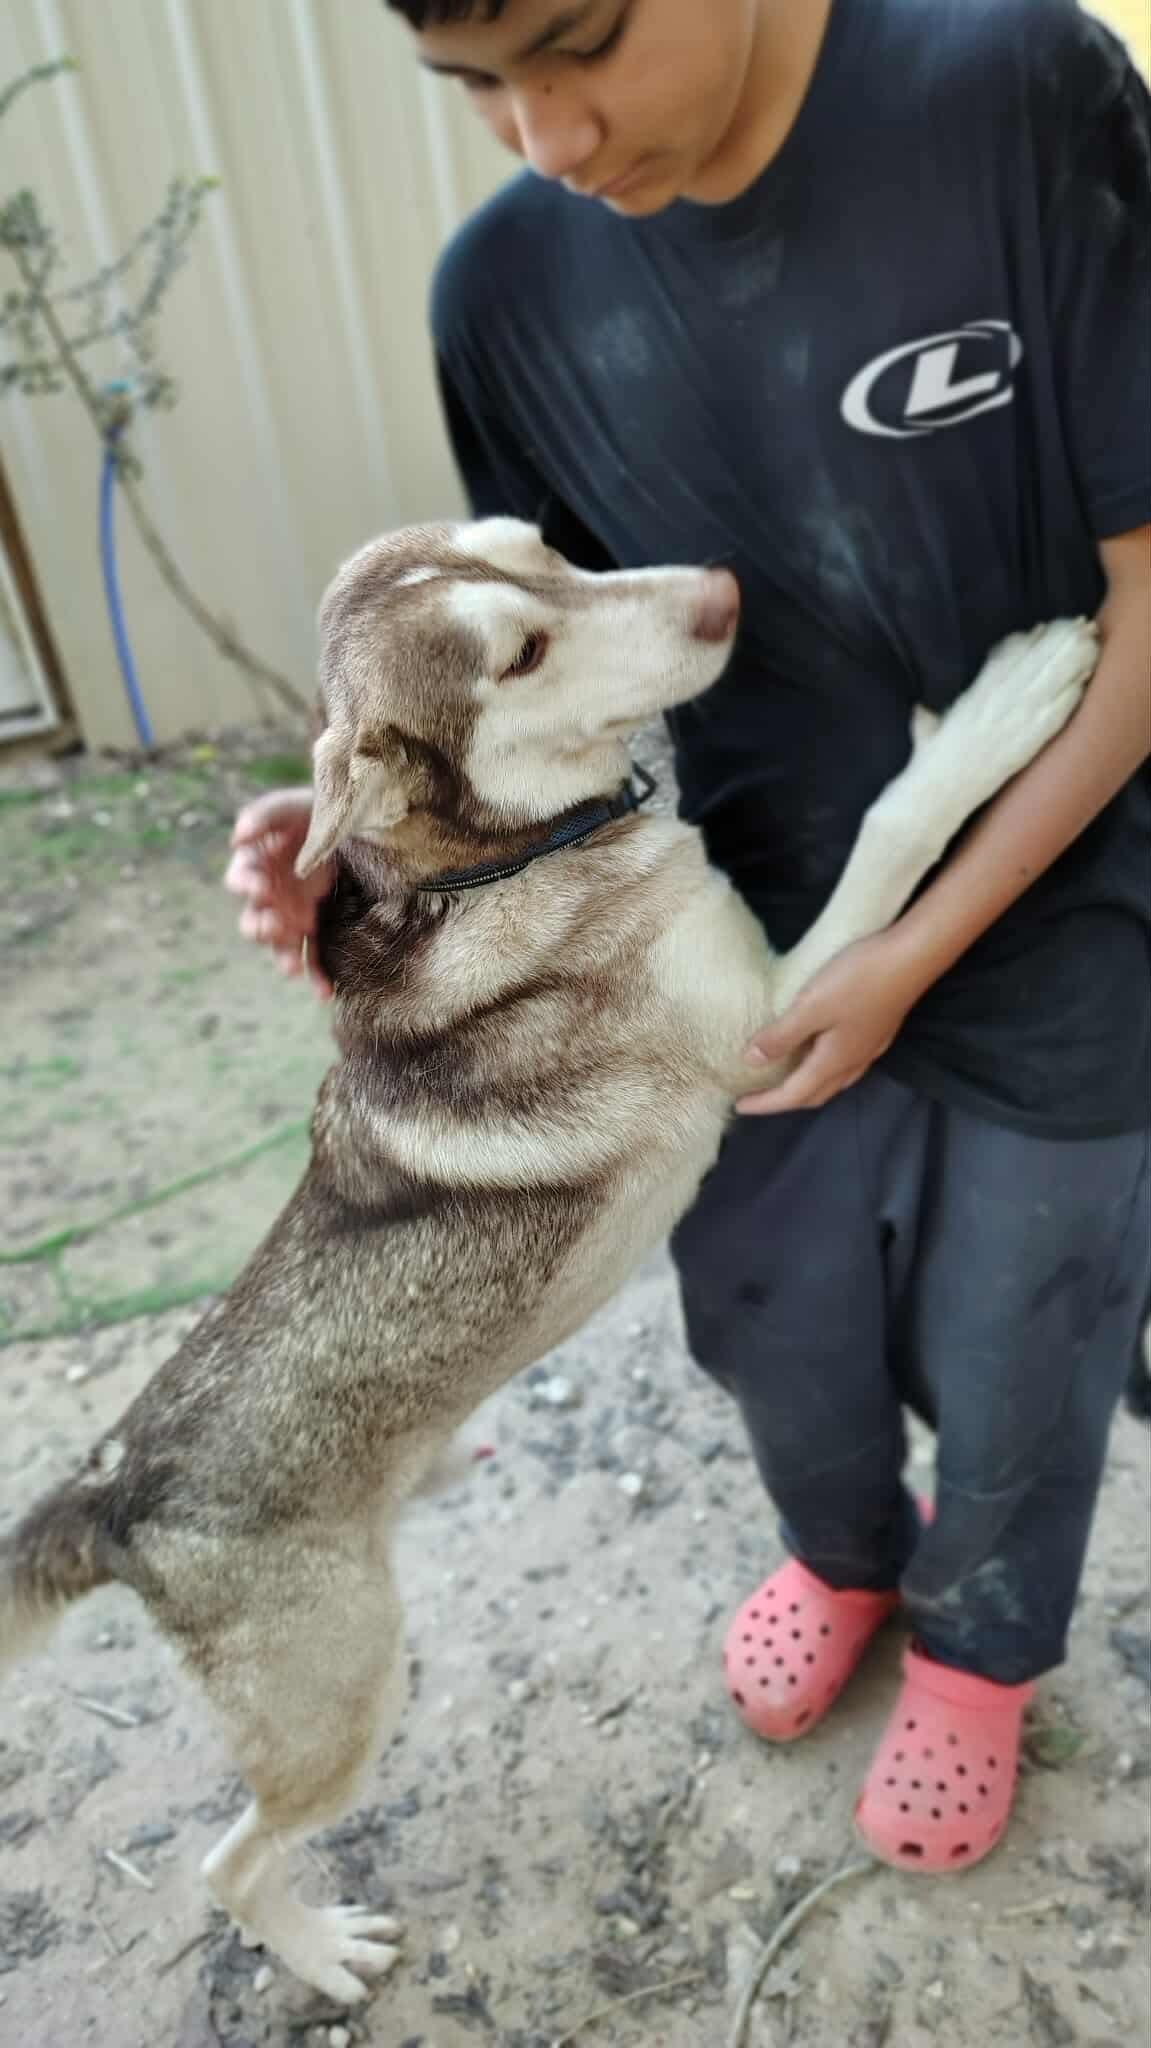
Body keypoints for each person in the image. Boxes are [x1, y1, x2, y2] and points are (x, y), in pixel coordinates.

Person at [226, 0, 1151, 1872]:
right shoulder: (503, 287)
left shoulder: (1013, 93)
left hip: (1073, 911)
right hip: (711, 942)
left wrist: (916, 927)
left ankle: (981, 1647)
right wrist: (385, 841)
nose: (546, 134)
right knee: (772, 1318)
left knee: (1027, 1331)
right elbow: (555, 669)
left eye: (581, 44)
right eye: (477, 83)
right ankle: (838, 1550)